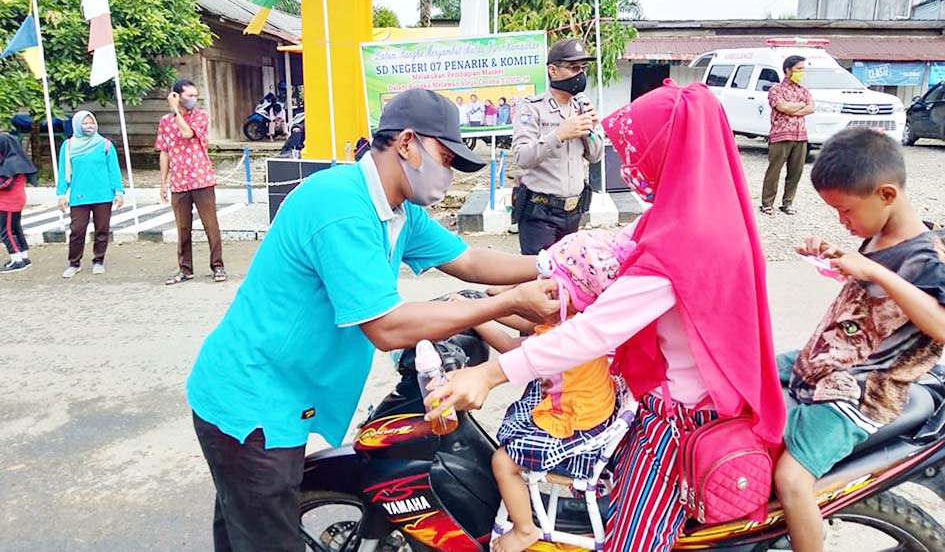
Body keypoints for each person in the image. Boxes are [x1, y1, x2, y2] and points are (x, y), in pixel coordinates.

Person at [186, 89, 561, 552]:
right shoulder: (340, 205)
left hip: (283, 393)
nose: (447, 172)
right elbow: (386, 327)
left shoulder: (399, 210)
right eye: (444, 158)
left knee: (245, 525)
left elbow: (471, 261)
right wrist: (506, 304)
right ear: (407, 143)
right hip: (251, 403)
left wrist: (560, 262)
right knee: (265, 534)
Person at [426, 81, 786, 552]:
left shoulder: (685, 244)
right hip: (674, 402)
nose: (633, 163)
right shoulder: (698, 216)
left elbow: (593, 331)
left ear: (672, 152)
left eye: (640, 150)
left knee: (627, 542)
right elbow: (604, 256)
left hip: (678, 427)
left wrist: (490, 374)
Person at [774, 128, 945, 552]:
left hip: (860, 393)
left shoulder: (928, 256)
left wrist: (876, 272)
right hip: (823, 364)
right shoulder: (878, 233)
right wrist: (833, 253)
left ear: (886, 194)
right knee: (739, 373)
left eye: (845, 211)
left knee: (792, 480)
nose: (842, 221)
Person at [482, 227, 637, 552]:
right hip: (595, 411)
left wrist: (474, 319)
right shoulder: (582, 318)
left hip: (577, 427)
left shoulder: (558, 341)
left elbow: (514, 347)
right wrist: (498, 300)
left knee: (502, 461)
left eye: (551, 285)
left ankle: (524, 529)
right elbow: (529, 321)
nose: (542, 289)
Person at [512, 39, 604, 255]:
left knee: (567, 278)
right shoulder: (532, 108)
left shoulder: (581, 107)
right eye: (573, 68)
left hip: (574, 212)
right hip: (540, 213)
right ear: (553, 70)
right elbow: (522, 157)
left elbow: (596, 156)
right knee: (540, 279)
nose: (580, 74)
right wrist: (559, 134)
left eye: (583, 68)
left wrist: (590, 129)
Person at [156, 78, 226, 285]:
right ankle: (185, 268)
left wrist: (175, 111)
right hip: (179, 182)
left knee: (210, 225)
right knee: (183, 228)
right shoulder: (165, 122)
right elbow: (164, 152)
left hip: (201, 178)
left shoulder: (200, 116)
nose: (193, 100)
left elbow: (187, 133)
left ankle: (218, 265)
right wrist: (163, 182)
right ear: (176, 95)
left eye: (195, 96)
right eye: (189, 96)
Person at [56, 111, 124, 278]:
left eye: (91, 123)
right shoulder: (69, 146)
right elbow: (64, 171)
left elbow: (113, 170)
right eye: (85, 123)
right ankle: (74, 263)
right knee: (77, 230)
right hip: (79, 195)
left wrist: (119, 191)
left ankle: (98, 260)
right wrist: (61, 194)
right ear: (77, 125)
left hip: (103, 195)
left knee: (102, 229)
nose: (89, 126)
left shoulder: (105, 145)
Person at [761, 55, 814, 216]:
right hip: (780, 135)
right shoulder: (776, 89)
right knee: (774, 171)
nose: (801, 72)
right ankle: (767, 203)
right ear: (787, 70)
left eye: (803, 69)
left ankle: (787, 203)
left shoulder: (803, 90)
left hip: (800, 136)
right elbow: (783, 107)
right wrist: (799, 105)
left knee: (795, 172)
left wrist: (795, 107)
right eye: (798, 69)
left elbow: (811, 108)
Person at [0, 133, 38, 274]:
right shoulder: (16, 159)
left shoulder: (11, 162)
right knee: (15, 229)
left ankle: (16, 260)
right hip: (16, 200)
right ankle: (24, 257)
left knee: (6, 231)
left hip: (8, 202)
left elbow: (6, 183)